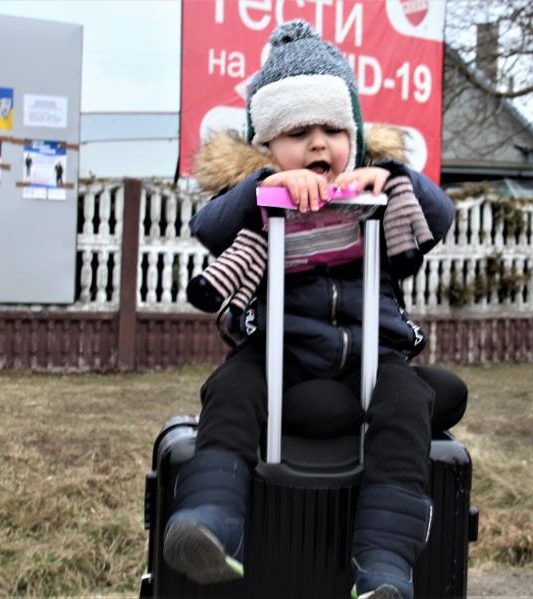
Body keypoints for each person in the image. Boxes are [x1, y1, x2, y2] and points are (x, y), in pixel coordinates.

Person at [163, 20, 454, 599]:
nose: (319, 144)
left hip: (371, 356)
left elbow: (438, 218)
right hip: (280, 353)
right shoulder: (260, 192)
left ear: (354, 137)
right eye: (297, 131)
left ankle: (384, 565)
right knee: (229, 391)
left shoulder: (376, 189)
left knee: (407, 401)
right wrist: (264, 186)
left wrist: (396, 179)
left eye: (332, 129)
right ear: (267, 144)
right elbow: (211, 227)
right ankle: (211, 522)